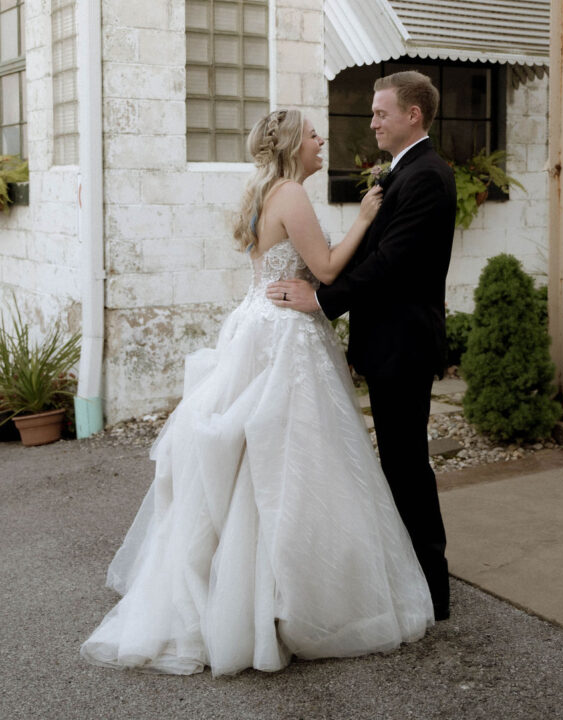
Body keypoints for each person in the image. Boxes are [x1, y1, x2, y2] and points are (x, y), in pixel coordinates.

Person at [81, 108, 434, 678]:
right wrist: (365, 220)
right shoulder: (292, 194)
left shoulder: (267, 190)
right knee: (289, 460)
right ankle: (277, 597)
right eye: (315, 134)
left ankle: (255, 593)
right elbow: (321, 267)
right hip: (283, 334)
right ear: (295, 145)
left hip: (257, 322)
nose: (324, 141)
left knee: (261, 462)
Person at [266, 72, 456, 621]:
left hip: (405, 345)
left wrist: (323, 301)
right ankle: (410, 576)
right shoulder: (401, 172)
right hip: (385, 343)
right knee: (395, 463)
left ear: (413, 115)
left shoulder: (427, 177)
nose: (371, 121)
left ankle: (431, 589)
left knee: (406, 465)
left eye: (380, 113)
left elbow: (391, 263)